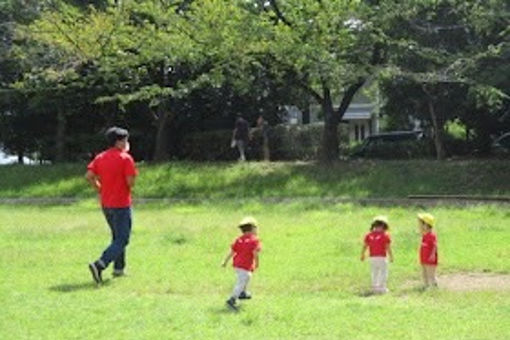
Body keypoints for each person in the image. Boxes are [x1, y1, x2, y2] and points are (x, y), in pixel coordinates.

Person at [86, 127, 138, 284]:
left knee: (116, 236)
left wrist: (100, 188)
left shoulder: (100, 157)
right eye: (125, 140)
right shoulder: (125, 158)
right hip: (121, 203)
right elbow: (131, 182)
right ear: (119, 142)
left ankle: (119, 268)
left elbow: (89, 176)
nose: (127, 143)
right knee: (123, 239)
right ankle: (100, 264)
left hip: (106, 203)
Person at [222, 216, 262, 311]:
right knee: (241, 281)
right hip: (244, 265)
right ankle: (232, 299)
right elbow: (255, 253)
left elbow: (232, 251)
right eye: (256, 228)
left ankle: (243, 293)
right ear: (252, 229)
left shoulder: (239, 239)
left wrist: (225, 261)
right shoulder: (254, 240)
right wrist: (257, 263)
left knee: (246, 277)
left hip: (237, 264)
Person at [360, 216, 393, 294]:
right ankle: (382, 288)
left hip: (372, 257)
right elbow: (388, 247)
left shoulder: (369, 235)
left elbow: (365, 246)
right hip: (382, 257)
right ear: (384, 226)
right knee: (383, 272)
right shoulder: (385, 235)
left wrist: (362, 254)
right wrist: (391, 256)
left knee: (374, 272)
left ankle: (374, 287)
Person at [418, 212, 438, 288]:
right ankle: (426, 286)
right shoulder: (424, 234)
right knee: (424, 273)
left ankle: (433, 286)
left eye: (423, 224)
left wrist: (433, 255)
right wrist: (420, 221)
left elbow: (435, 245)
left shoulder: (431, 235)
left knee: (431, 274)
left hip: (430, 258)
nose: (421, 226)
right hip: (424, 257)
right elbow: (420, 229)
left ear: (427, 225)